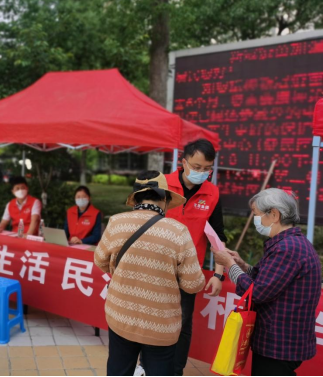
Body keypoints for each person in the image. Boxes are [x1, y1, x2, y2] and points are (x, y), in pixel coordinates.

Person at [95, 171, 206, 376]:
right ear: (165, 199)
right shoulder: (178, 231)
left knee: (118, 370)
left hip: (121, 315)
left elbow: (100, 260)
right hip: (161, 326)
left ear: (136, 199)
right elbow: (193, 284)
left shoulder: (116, 223)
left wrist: (124, 271)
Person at [213, 189, 321, 377]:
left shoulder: (287, 248)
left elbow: (257, 293)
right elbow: (266, 279)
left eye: (256, 214)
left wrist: (230, 265)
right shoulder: (290, 243)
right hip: (283, 340)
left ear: (274, 215)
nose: (255, 219)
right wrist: (242, 265)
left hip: (280, 343)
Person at [165, 139, 228, 376]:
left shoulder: (212, 193)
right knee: (150, 318)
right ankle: (146, 365)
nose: (202, 172)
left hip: (189, 272)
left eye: (207, 168)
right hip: (157, 267)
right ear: (183, 162)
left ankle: (175, 371)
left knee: (182, 323)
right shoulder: (162, 184)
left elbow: (217, 238)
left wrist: (219, 275)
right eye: (197, 167)